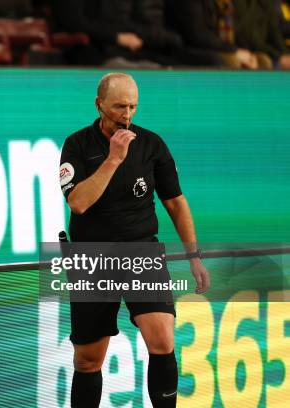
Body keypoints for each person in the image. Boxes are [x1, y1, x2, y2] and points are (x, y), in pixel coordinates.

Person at [58, 73, 210, 407]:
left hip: (141, 250)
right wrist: (113, 158)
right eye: (119, 107)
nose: (127, 115)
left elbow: (176, 202)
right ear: (99, 105)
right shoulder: (77, 145)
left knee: (162, 339)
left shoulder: (152, 144)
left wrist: (193, 256)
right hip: (92, 257)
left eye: (132, 106)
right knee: (87, 359)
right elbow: (78, 202)